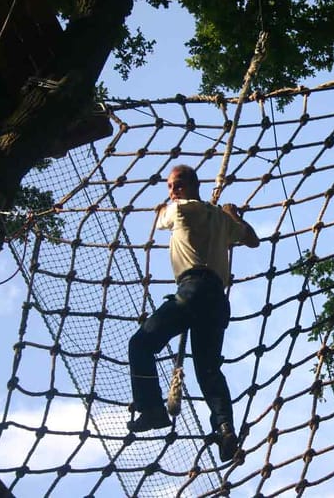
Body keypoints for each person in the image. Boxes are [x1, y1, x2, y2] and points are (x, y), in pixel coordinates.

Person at [127, 164, 260, 462]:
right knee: (209, 372)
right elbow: (252, 239)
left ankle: (151, 409)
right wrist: (231, 215)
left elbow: (161, 217)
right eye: (170, 186)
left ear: (192, 185)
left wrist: (167, 205)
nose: (173, 191)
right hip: (216, 300)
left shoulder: (180, 210)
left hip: (192, 291)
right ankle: (226, 432)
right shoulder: (222, 221)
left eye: (177, 185)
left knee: (140, 344)